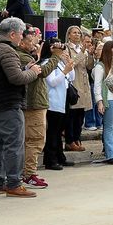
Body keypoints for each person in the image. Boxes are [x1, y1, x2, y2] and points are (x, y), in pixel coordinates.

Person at [0, 17, 41, 197]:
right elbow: (15, 78)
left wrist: (23, 68)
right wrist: (33, 71)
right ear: (13, 34)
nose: (22, 37)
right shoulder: (7, 50)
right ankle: (14, 184)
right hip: (8, 103)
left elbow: (5, 74)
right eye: (21, 34)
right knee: (14, 144)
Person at [17, 28, 64, 188]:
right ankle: (29, 174)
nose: (34, 43)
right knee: (35, 140)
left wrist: (44, 54)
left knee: (33, 140)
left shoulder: (28, 56)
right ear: (21, 41)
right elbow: (43, 72)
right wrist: (56, 55)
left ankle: (27, 172)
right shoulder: (22, 57)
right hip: (33, 104)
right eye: (31, 41)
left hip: (37, 103)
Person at [40, 39, 76, 171]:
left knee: (59, 131)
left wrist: (68, 64)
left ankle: (60, 156)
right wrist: (65, 71)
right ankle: (50, 159)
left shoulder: (59, 63)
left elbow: (71, 77)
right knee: (52, 132)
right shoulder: (47, 62)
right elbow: (53, 82)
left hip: (62, 100)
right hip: (52, 102)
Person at [93, 40, 113, 165]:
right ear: (109, 50)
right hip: (109, 100)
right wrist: (99, 102)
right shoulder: (100, 66)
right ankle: (110, 154)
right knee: (109, 127)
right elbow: (97, 86)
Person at [64, 25, 94, 151]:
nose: (77, 35)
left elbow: (89, 66)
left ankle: (77, 138)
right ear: (69, 35)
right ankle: (70, 140)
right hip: (74, 84)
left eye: (79, 33)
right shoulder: (66, 48)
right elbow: (71, 63)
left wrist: (90, 55)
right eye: (75, 33)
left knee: (81, 115)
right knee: (72, 114)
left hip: (84, 84)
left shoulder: (82, 49)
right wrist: (82, 52)